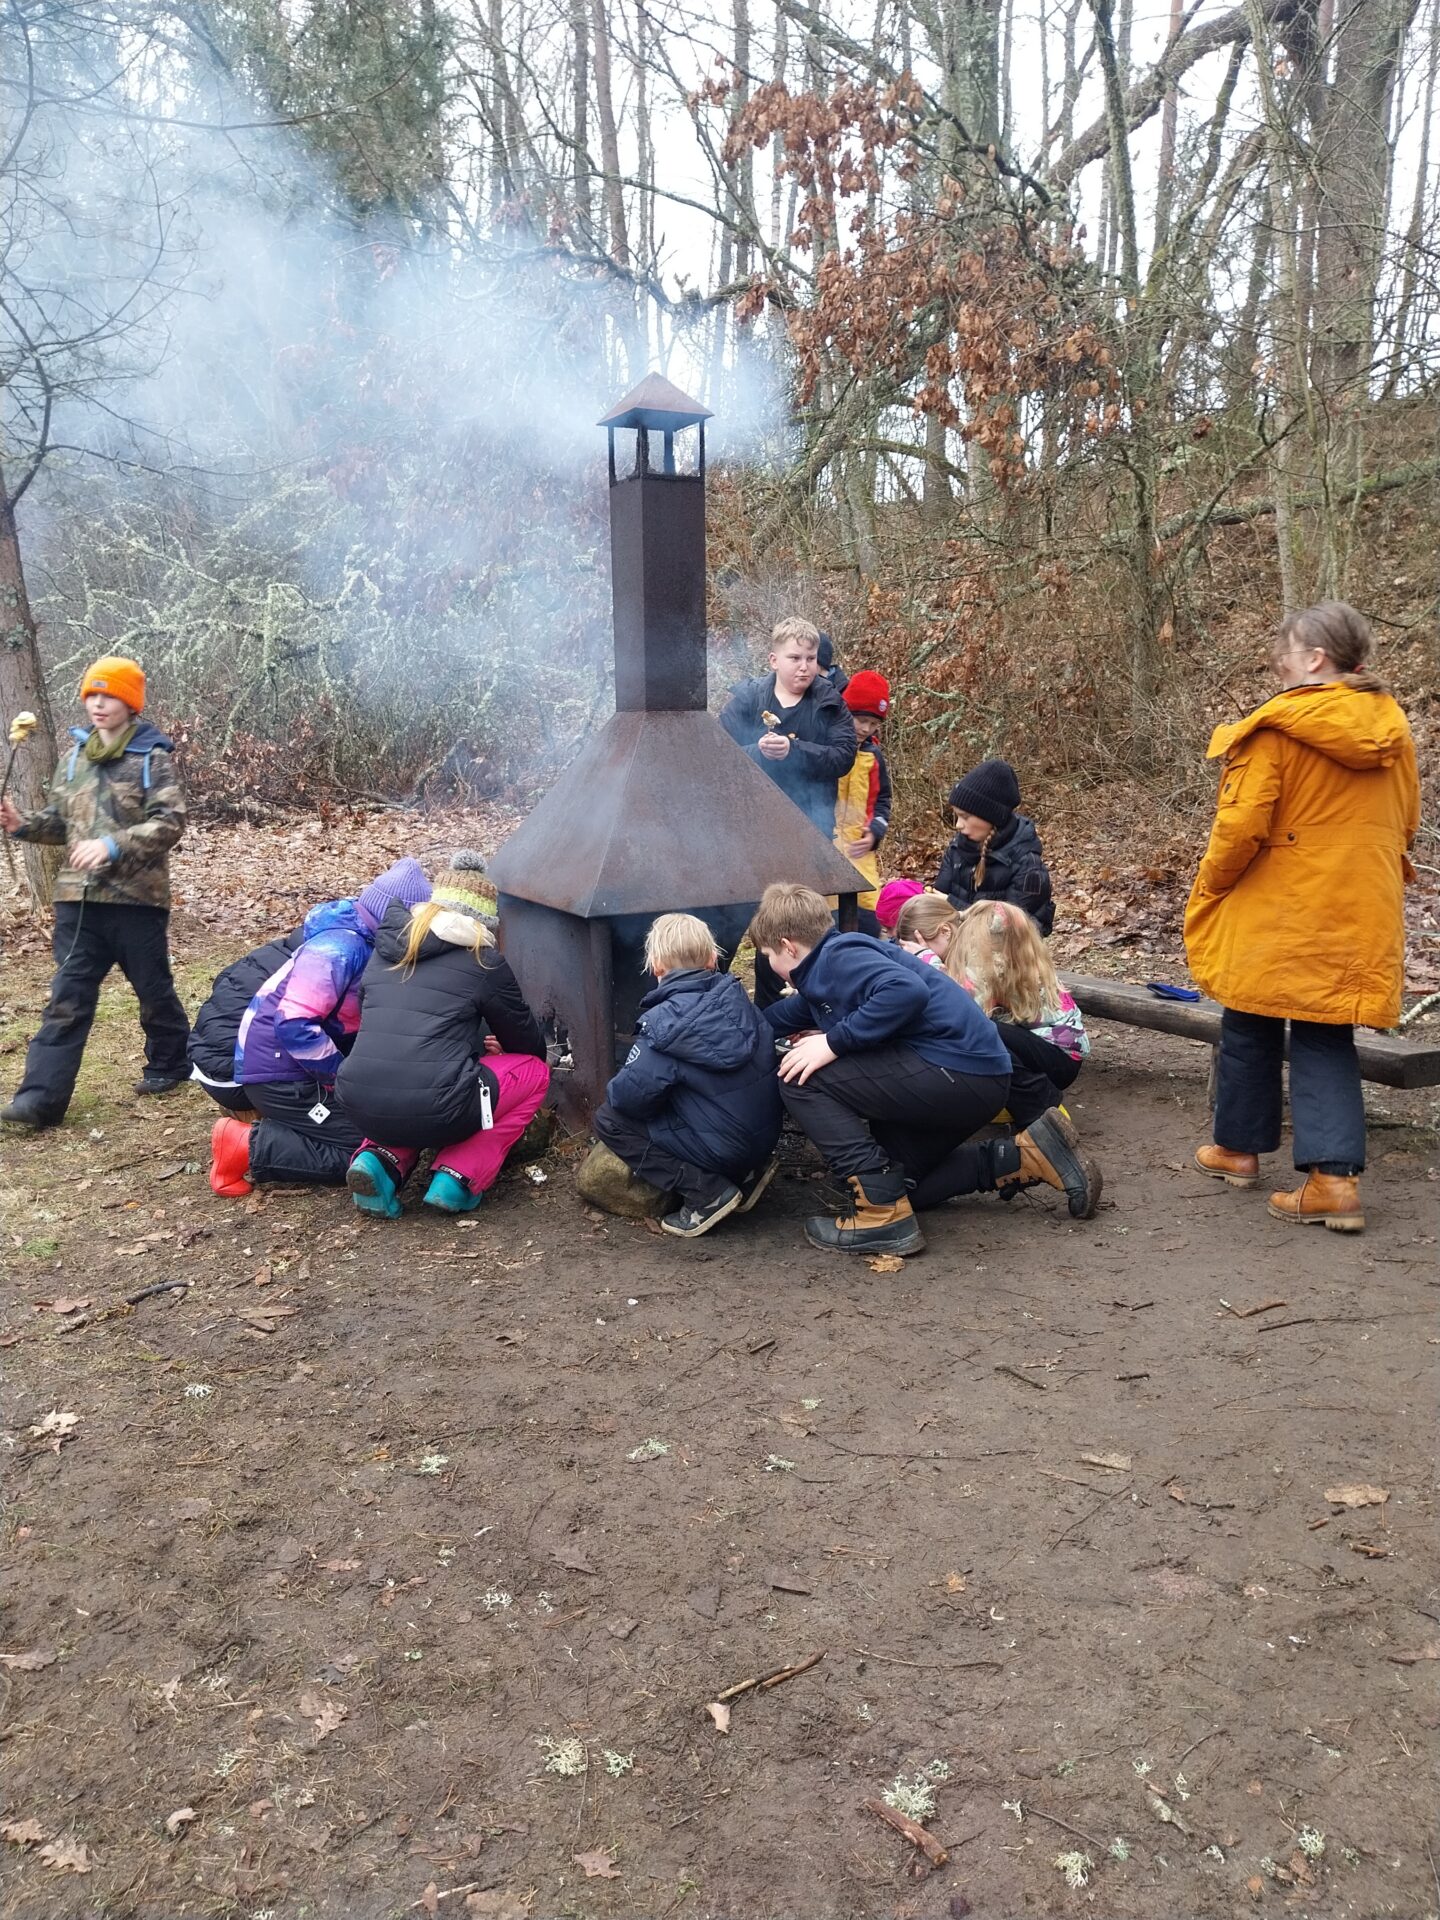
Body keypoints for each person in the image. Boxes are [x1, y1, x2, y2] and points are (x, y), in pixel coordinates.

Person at [1185, 601, 1420, 1233]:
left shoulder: (1279, 730)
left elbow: (1238, 831)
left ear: (1315, 658)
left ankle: (1244, 1152)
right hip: (1359, 908)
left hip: (1278, 907)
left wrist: (1211, 886)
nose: (1279, 666)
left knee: (1249, 1019)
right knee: (1322, 1031)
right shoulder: (1393, 733)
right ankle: (1328, 1179)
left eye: (1284, 654)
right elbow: (1407, 825)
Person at [750, 883, 1095, 1256]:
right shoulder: (831, 971)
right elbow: (774, 1019)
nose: (769, 965)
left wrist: (832, 1043)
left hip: (957, 1071)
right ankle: (1031, 1156)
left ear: (788, 946)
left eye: (768, 954)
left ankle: (881, 1216)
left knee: (800, 1076)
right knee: (903, 1184)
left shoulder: (838, 957)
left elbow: (906, 992)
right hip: (977, 1078)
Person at [1, 655, 190, 1128]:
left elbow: (170, 824)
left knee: (152, 989)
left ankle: (170, 1062)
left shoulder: (152, 759)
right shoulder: (74, 759)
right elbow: (61, 823)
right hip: (77, 902)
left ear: (130, 704)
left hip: (136, 900)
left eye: (110, 696)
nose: (99, 704)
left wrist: (111, 845)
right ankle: (38, 1101)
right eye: (92, 695)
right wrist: (22, 825)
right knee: (67, 998)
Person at [337, 854, 550, 1217]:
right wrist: (499, 1052)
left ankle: (378, 1161)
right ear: (483, 923)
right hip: (437, 1104)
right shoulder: (484, 961)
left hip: (358, 1099)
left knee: (413, 1081)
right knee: (534, 1073)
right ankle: (458, 1176)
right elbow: (530, 1048)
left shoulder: (385, 951)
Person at [209, 856, 431, 1196]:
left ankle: (295, 1127)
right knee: (370, 1152)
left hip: (298, 1069)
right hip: (280, 1072)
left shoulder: (366, 940)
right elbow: (294, 1023)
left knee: (388, 1135)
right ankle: (245, 1145)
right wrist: (340, 1079)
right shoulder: (338, 947)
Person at [592, 912, 783, 1238]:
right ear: (712, 959)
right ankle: (746, 1176)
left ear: (656, 968)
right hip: (764, 1139)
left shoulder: (664, 1026)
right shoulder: (740, 1002)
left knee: (609, 1119)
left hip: (725, 1148)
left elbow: (627, 1099)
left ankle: (707, 1192)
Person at [720, 615, 856, 1008]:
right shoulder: (747, 701)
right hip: (748, 831)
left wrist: (795, 750)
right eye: (795, 657)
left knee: (790, 930)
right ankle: (706, 999)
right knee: (730, 923)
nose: (804, 666)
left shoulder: (830, 703)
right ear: (773, 659)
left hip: (807, 833)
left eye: (811, 658)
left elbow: (843, 756)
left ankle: (783, 1011)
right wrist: (756, 754)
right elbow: (716, 755)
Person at [893, 889, 1094, 1143]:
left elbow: (963, 1005)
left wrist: (927, 961)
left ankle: (1043, 1112)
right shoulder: (971, 945)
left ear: (945, 931)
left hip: (1060, 1058)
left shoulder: (981, 950)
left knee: (979, 1030)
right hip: (1041, 1047)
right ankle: (1004, 1099)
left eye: (925, 946)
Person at [188, 925, 306, 1113]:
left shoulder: (271, 951)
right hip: (240, 1081)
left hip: (203, 1067)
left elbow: (222, 981)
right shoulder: (319, 969)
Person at [934, 758, 1055, 934]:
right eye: (957, 816)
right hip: (958, 945)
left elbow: (1016, 931)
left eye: (965, 817)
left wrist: (952, 905)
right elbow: (939, 897)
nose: (958, 825)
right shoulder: (957, 849)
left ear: (991, 818)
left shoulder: (1028, 867)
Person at [833, 670, 893, 936]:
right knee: (825, 923)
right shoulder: (830, 749)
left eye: (873, 723)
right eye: (861, 720)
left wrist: (875, 832)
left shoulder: (873, 757)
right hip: (827, 851)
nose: (865, 729)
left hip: (860, 854)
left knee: (868, 923)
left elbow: (883, 801)